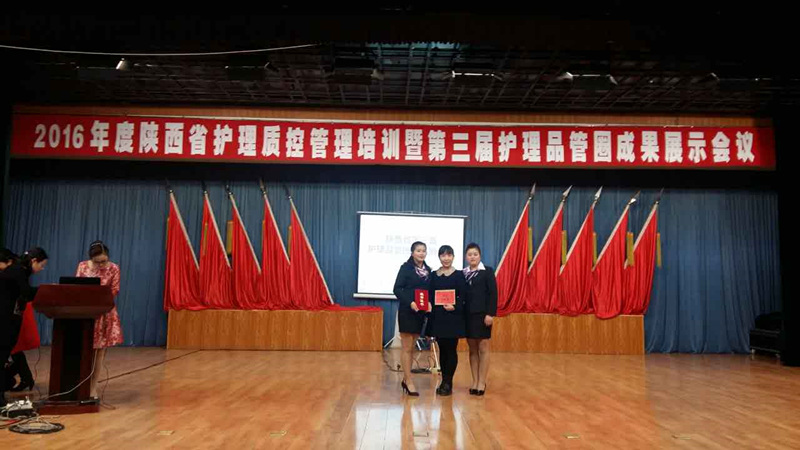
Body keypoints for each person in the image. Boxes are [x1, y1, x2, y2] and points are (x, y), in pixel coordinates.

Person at [75, 241, 122, 398]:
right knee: (83, 350)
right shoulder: (82, 266)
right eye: (97, 262)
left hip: (103, 313)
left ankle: (93, 387)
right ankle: (79, 385)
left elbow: (114, 290)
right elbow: (76, 287)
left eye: (104, 261)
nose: (101, 265)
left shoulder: (114, 268)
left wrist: (99, 300)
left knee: (99, 353)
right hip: (85, 313)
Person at [0, 247, 47, 405]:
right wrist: (46, 290)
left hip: (9, 317)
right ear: (33, 261)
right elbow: (26, 293)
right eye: (41, 265)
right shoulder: (18, 270)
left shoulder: (18, 270)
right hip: (5, 318)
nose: (42, 269)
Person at [392, 241, 432, 396]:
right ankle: (409, 381)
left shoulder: (428, 271)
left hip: (420, 313)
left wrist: (429, 303)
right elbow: (397, 289)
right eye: (418, 251)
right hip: (407, 311)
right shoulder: (406, 268)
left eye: (424, 251)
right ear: (412, 253)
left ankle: (406, 378)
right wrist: (410, 302)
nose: (421, 253)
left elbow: (429, 291)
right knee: (407, 347)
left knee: (413, 346)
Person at [429, 245, 466, 396]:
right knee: (442, 350)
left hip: (452, 318)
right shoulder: (433, 275)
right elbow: (430, 295)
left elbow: (464, 297)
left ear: (453, 257)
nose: (446, 258)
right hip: (438, 318)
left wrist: (455, 306)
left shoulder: (459, 275)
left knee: (451, 350)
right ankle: (444, 380)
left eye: (449, 255)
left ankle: (448, 383)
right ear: (439, 257)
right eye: (443, 255)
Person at [463, 243, 497, 396]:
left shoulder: (487, 271)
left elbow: (493, 294)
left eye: (475, 254)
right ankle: (475, 381)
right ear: (466, 257)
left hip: (483, 316)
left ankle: (482, 382)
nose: (472, 257)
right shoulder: (463, 273)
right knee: (472, 349)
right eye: (470, 254)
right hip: (467, 316)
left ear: (480, 256)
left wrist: (490, 314)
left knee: (483, 348)